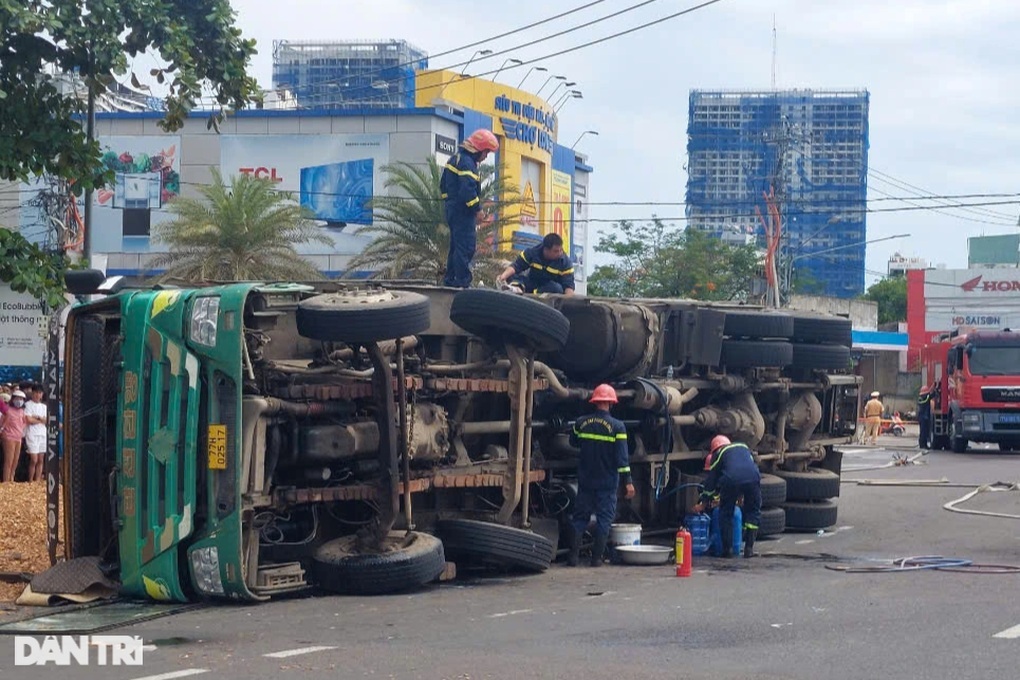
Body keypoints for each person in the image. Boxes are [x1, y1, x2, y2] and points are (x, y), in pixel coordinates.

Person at [566, 384, 634, 567]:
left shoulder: (581, 422)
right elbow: (622, 459)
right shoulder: (618, 427)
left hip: (586, 479)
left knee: (580, 518)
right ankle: (596, 559)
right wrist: (628, 482)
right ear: (611, 403)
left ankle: (572, 558)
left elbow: (573, 442)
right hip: (607, 482)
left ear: (594, 402)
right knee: (604, 519)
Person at [440, 129, 500, 289]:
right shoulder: (467, 163)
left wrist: (449, 204)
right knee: (466, 246)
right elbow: (467, 190)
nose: (486, 156)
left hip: (453, 210)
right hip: (463, 212)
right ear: (479, 149)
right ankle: (462, 282)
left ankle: (451, 279)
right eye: (486, 151)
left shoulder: (455, 159)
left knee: (456, 246)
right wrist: (477, 209)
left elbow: (443, 185)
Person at [692, 435, 762, 558]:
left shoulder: (718, 455)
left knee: (726, 513)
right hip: (754, 477)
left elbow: (711, 482)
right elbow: (744, 469)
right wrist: (740, 495)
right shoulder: (743, 447)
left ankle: (727, 550)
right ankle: (749, 549)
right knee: (753, 512)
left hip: (731, 480)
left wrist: (703, 504)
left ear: (714, 449)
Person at [496, 232, 576, 295]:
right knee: (511, 275)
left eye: (561, 250)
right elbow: (516, 266)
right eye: (556, 251)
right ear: (546, 250)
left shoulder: (565, 263)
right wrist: (502, 277)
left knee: (557, 288)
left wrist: (569, 302)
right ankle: (515, 288)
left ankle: (529, 293)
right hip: (532, 283)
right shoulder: (532, 253)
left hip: (548, 289)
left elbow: (569, 286)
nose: (559, 253)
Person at [0, 390, 28, 482]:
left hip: (18, 437)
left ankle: (11, 478)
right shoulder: (7, 410)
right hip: (8, 437)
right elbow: (2, 422)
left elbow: (24, 422)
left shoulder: (22, 411)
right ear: (13, 399)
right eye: (17, 398)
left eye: (21, 399)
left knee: (15, 460)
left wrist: (21, 430)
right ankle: (6, 481)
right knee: (9, 460)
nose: (19, 401)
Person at [23, 384, 48, 482]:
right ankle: (30, 480)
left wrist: (36, 418)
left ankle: (37, 480)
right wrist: (40, 419)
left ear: (42, 394)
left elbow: (47, 420)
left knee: (41, 459)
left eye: (40, 393)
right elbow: (28, 419)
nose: (38, 395)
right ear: (32, 393)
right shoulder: (28, 404)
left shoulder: (44, 407)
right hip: (32, 434)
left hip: (42, 433)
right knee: (34, 459)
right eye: (36, 393)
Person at [917, 385, 932, 449]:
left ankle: (925, 444)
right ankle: (922, 444)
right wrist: (930, 395)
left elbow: (928, 398)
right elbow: (925, 401)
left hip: (925, 417)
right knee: (923, 432)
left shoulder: (926, 397)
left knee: (925, 432)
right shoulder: (921, 399)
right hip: (922, 417)